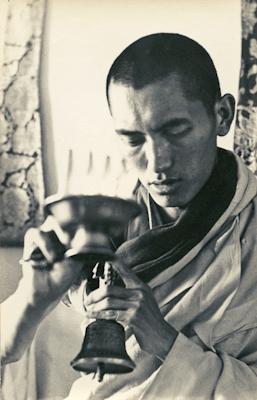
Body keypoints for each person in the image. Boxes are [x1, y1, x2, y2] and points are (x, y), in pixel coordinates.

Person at [1, 33, 257, 399]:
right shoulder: (88, 221)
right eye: (133, 139)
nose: (156, 164)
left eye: (175, 130)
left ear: (223, 115)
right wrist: (33, 298)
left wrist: (164, 340)